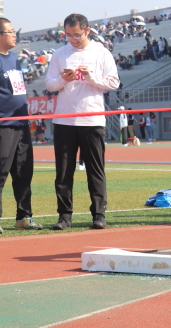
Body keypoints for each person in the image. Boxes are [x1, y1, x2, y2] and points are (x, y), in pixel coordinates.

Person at [45, 13, 120, 230]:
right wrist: (63, 79)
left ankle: (99, 215)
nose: (73, 39)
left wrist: (91, 77)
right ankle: (64, 216)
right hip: (64, 120)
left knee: (95, 170)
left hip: (92, 119)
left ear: (87, 31)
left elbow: (114, 82)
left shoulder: (101, 52)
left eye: (77, 35)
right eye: (68, 35)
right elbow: (49, 84)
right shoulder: (60, 54)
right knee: (63, 172)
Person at [0, 17, 42, 234]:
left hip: (21, 123)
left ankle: (24, 216)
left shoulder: (14, 58)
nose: (15, 36)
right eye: (11, 32)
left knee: (24, 171)